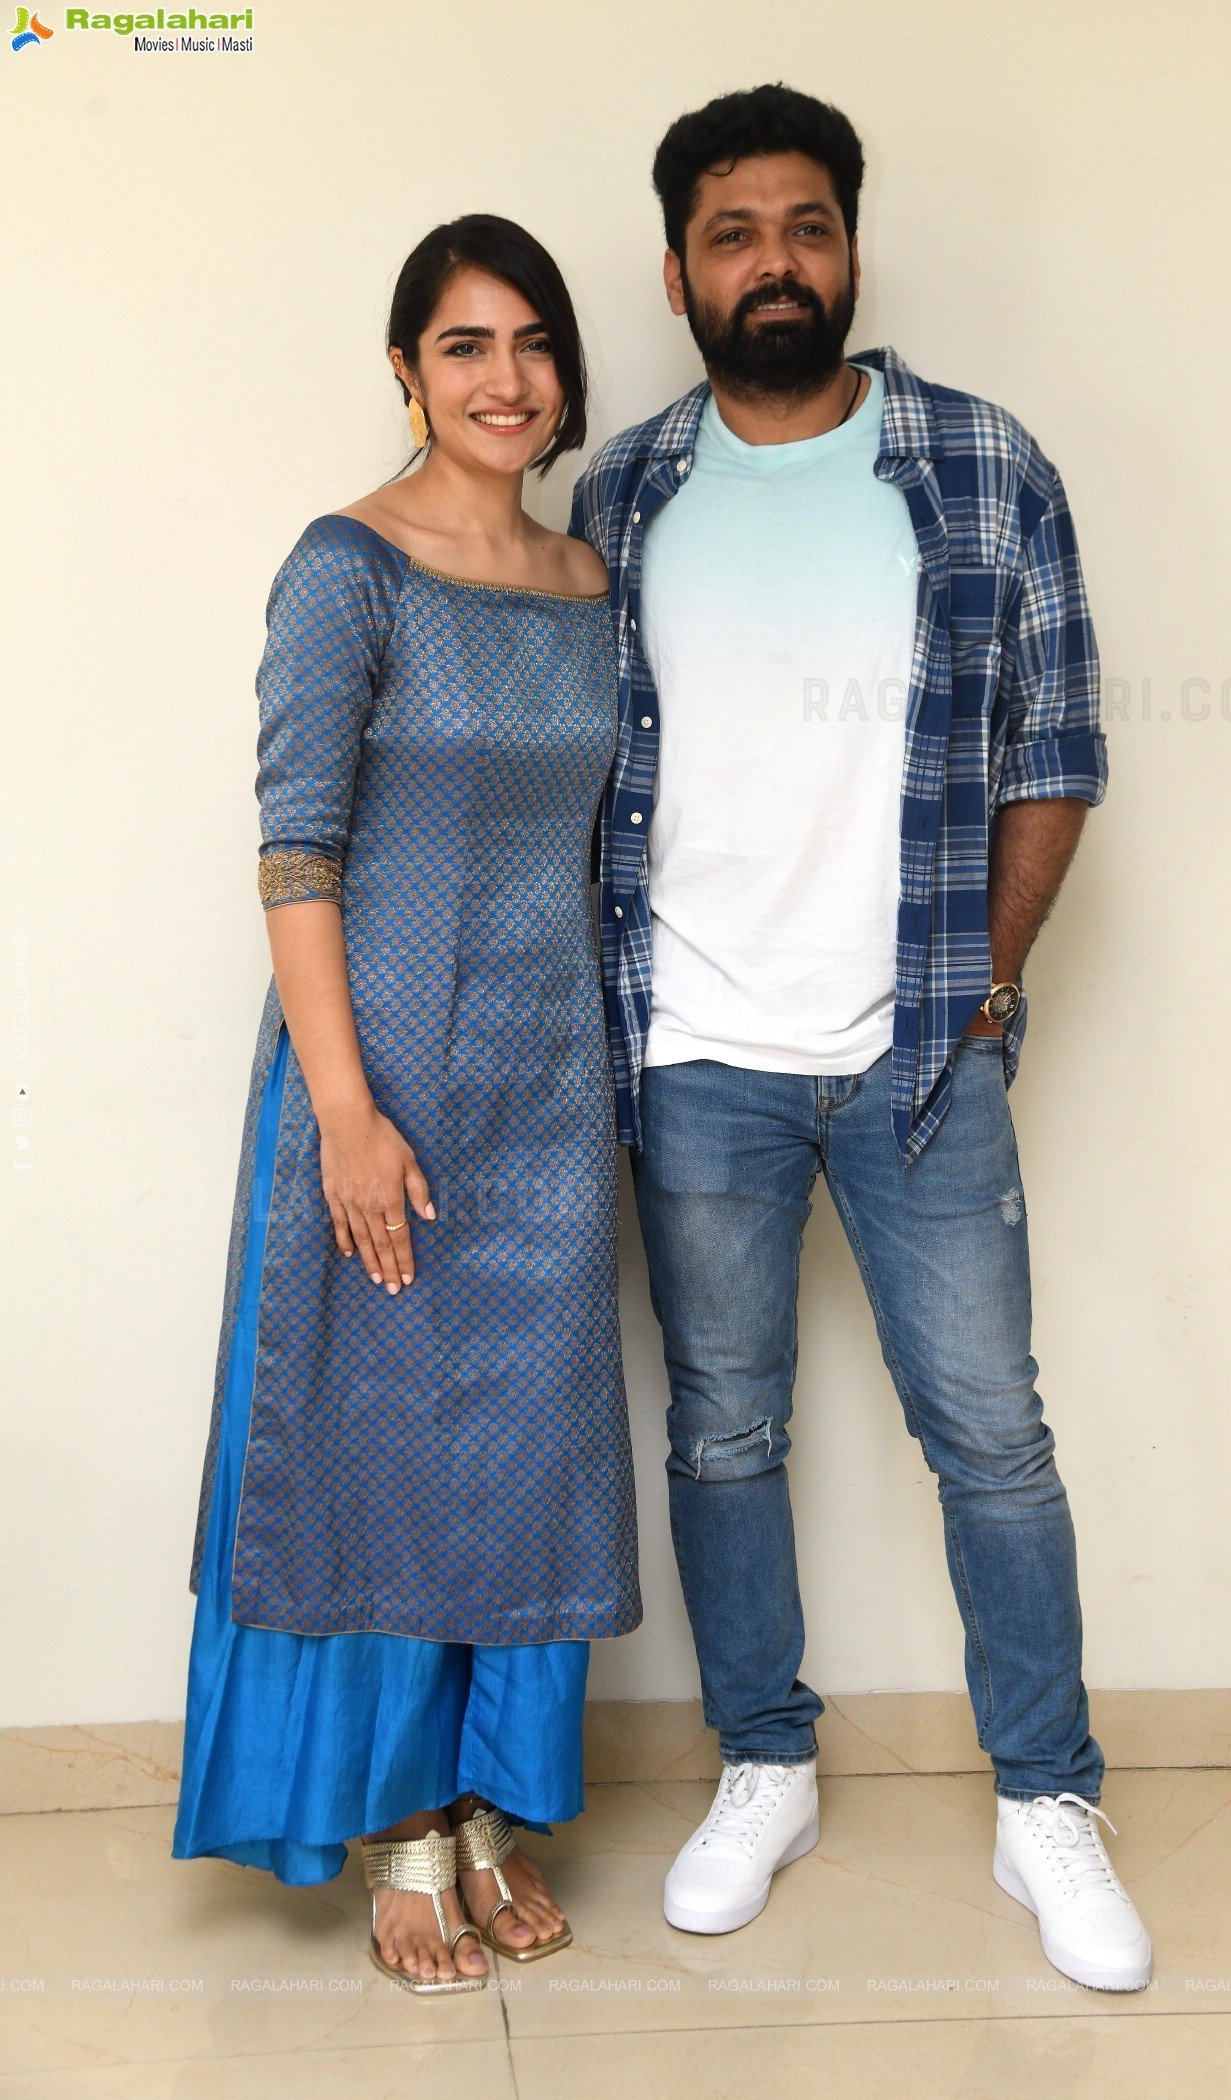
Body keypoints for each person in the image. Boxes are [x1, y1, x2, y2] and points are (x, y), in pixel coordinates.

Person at [568, 84, 1152, 1993]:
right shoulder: (621, 497)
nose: (776, 263)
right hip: (694, 1055)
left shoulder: (983, 462)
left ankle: (1045, 1799)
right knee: (723, 1430)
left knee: (991, 1434)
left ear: (851, 251)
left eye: (807, 227)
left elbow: (1059, 745)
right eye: (734, 234)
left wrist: (978, 991)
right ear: (678, 273)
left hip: (920, 1051)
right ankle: (766, 1764)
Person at [173, 214, 641, 1994]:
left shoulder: (591, 584)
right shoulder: (346, 569)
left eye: (532, 342)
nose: (505, 379)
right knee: (380, 1448)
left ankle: (491, 1808)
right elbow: (297, 853)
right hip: (377, 1085)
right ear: (405, 369)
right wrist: (348, 1115)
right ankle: (399, 1831)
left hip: (549, 1089)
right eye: (464, 344)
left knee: (525, 1458)